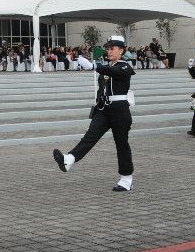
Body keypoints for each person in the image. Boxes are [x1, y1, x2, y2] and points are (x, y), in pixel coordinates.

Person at [53, 35, 135, 192]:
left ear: (121, 50)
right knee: (90, 136)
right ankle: (68, 159)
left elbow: (114, 71)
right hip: (104, 110)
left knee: (121, 145)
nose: (109, 51)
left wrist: (93, 66)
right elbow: (102, 88)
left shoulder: (125, 66)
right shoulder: (107, 67)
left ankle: (126, 179)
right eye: (108, 48)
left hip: (120, 112)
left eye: (112, 48)